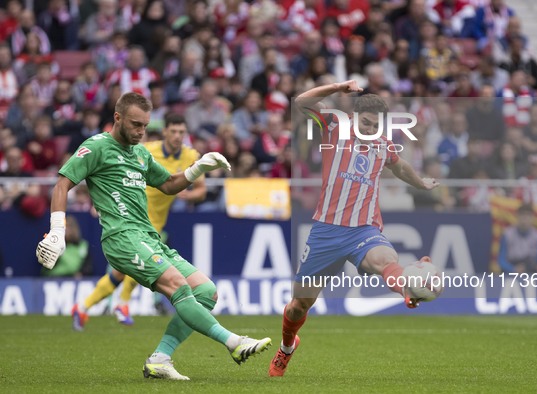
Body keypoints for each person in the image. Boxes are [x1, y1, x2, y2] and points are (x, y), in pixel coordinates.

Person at [36, 92, 271, 380]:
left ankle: (160, 360)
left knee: (206, 292)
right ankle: (234, 343)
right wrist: (57, 231)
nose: (140, 131)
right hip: (121, 238)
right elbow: (62, 185)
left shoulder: (142, 153)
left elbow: (169, 185)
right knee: (177, 285)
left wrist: (199, 167)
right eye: (135, 124)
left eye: (145, 126)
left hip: (149, 236)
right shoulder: (96, 146)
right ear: (117, 118)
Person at [268, 80, 440, 377]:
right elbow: (300, 102)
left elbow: (399, 167)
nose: (372, 128)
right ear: (356, 117)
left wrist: (421, 183)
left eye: (376, 124)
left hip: (364, 229)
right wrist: (337, 87)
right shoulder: (335, 124)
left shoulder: (384, 144)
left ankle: (408, 288)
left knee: (386, 260)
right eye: (367, 123)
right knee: (300, 304)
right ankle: (286, 348)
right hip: (326, 231)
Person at [71, 112, 207, 328]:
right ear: (164, 132)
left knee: (124, 271)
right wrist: (102, 203)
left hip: (157, 220)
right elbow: (112, 173)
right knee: (142, 265)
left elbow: (201, 191)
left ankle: (84, 306)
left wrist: (185, 194)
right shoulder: (147, 151)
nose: (177, 136)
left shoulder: (191, 155)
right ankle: (121, 304)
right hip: (133, 217)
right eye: (173, 131)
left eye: (181, 132)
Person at [498, 203, 537, 274]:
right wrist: (513, 269)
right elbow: (501, 260)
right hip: (512, 269)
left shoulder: (536, 235)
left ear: (532, 218)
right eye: (522, 215)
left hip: (531, 269)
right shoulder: (507, 234)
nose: (525, 218)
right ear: (517, 216)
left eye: (528, 215)